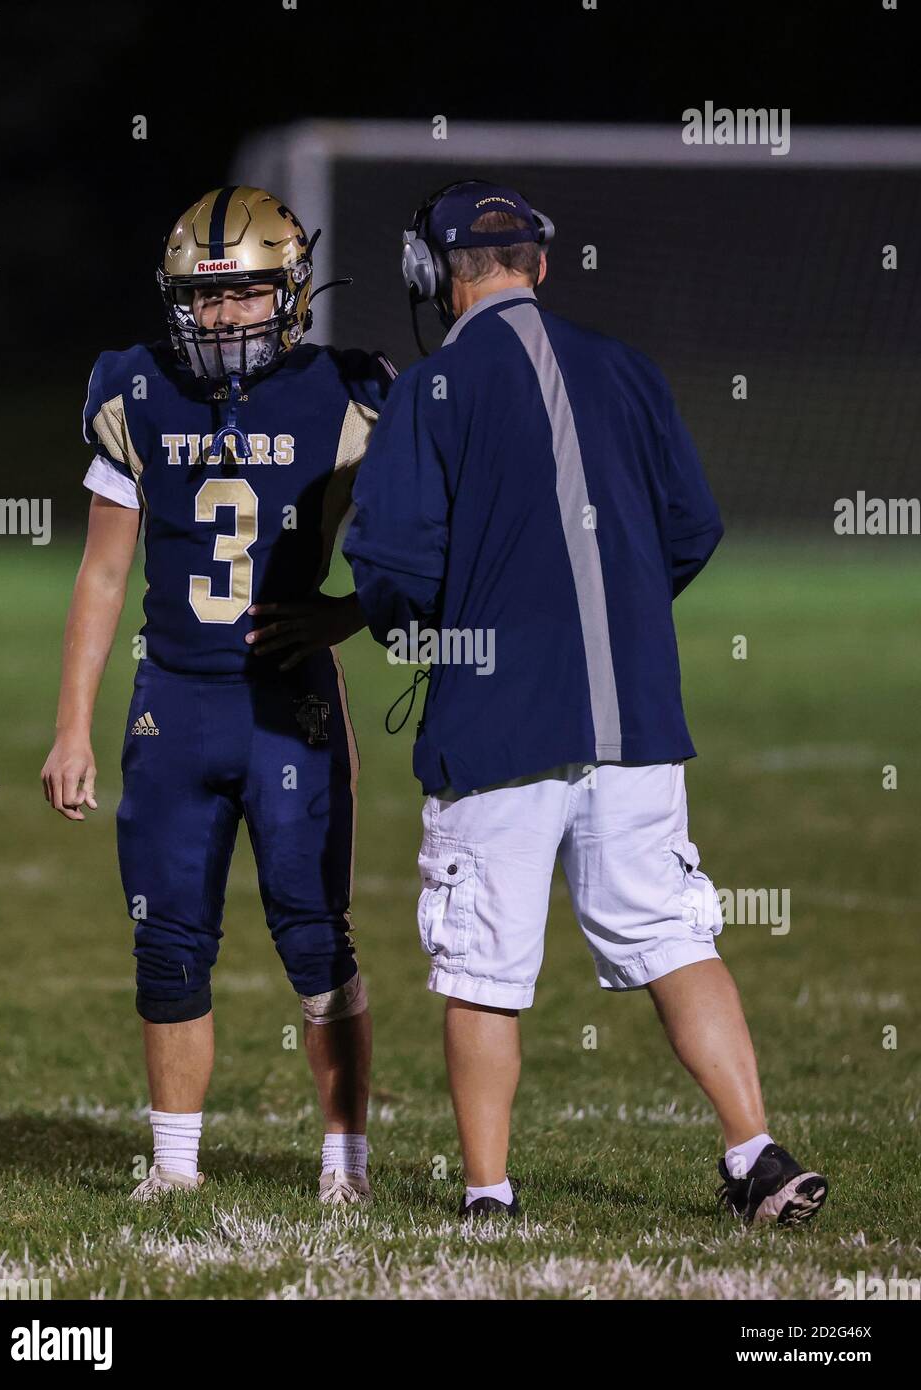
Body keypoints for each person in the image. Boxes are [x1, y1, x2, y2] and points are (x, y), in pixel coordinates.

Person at [344, 178, 828, 1225]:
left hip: (497, 723)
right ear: (542, 263)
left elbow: (386, 563)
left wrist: (437, 631)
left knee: (483, 960)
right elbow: (690, 527)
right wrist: (610, 619)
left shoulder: (430, 390)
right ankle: (755, 1150)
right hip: (636, 720)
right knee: (671, 936)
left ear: (432, 275)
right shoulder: (629, 369)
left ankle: (488, 1193)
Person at [41, 185, 394, 1205]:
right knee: (167, 935)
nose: (227, 315)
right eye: (207, 296)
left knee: (316, 935)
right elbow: (104, 573)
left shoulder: (350, 391)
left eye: (246, 293)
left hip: (291, 703)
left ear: (289, 292)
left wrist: (348, 613)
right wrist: (72, 727)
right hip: (176, 702)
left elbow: (420, 541)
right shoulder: (137, 389)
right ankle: (175, 1165)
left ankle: (345, 1163)